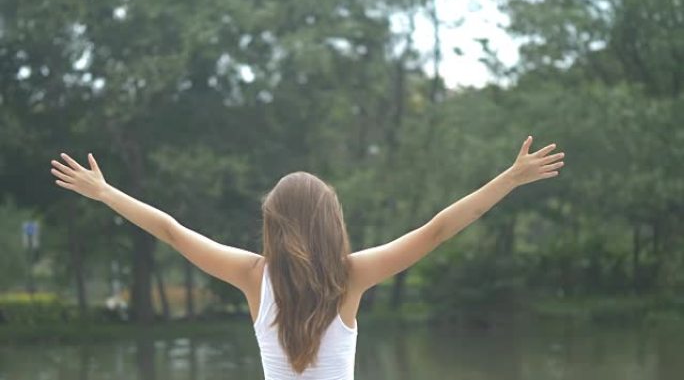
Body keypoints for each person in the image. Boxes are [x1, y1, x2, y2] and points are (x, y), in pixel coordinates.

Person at [50, 135, 564, 379]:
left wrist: (106, 193)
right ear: (331, 221)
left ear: (272, 224)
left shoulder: (252, 275)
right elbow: (438, 230)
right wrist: (510, 178)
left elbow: (170, 230)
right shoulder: (352, 275)